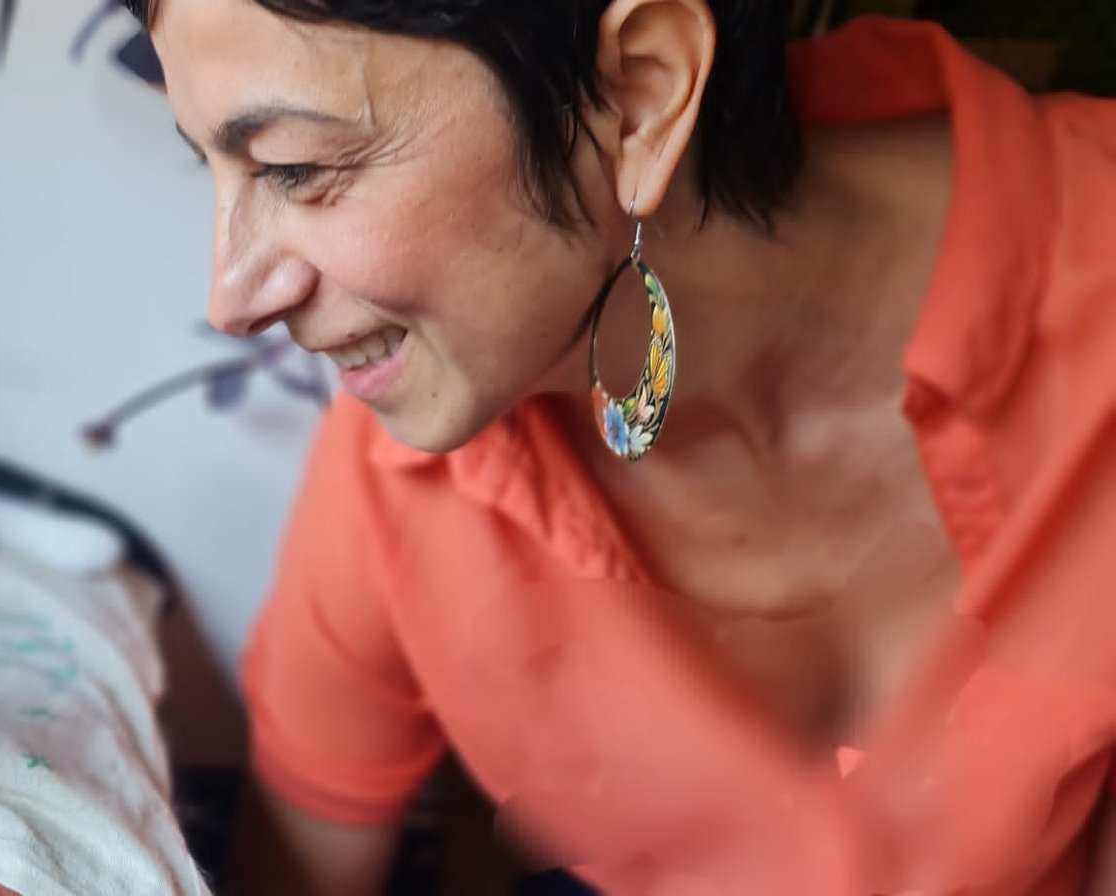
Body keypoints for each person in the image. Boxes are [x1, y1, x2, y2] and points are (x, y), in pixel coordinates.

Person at [124, 0, 1116, 893]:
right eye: (209, 164)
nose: (232, 297)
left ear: (642, 96)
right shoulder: (402, 477)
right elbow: (298, 869)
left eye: (296, 167)